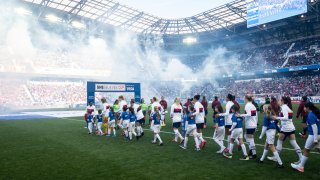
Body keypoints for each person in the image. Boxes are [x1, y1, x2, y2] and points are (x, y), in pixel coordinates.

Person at [267, 96, 302, 164]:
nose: (278, 101)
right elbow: (287, 118)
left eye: (279, 100)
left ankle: (275, 157)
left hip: (286, 128)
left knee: (279, 142)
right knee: (293, 143)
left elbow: (286, 117)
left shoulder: (284, 107)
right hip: (290, 127)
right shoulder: (287, 107)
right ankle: (301, 159)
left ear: (282, 101)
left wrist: (276, 118)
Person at [291, 102, 320, 172]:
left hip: (313, 135)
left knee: (306, 150)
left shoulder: (310, 115)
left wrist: (315, 138)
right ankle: (300, 166)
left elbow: (314, 127)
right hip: (318, 134)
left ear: (308, 108)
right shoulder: (315, 113)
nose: (303, 108)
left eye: (304, 107)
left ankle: (300, 167)